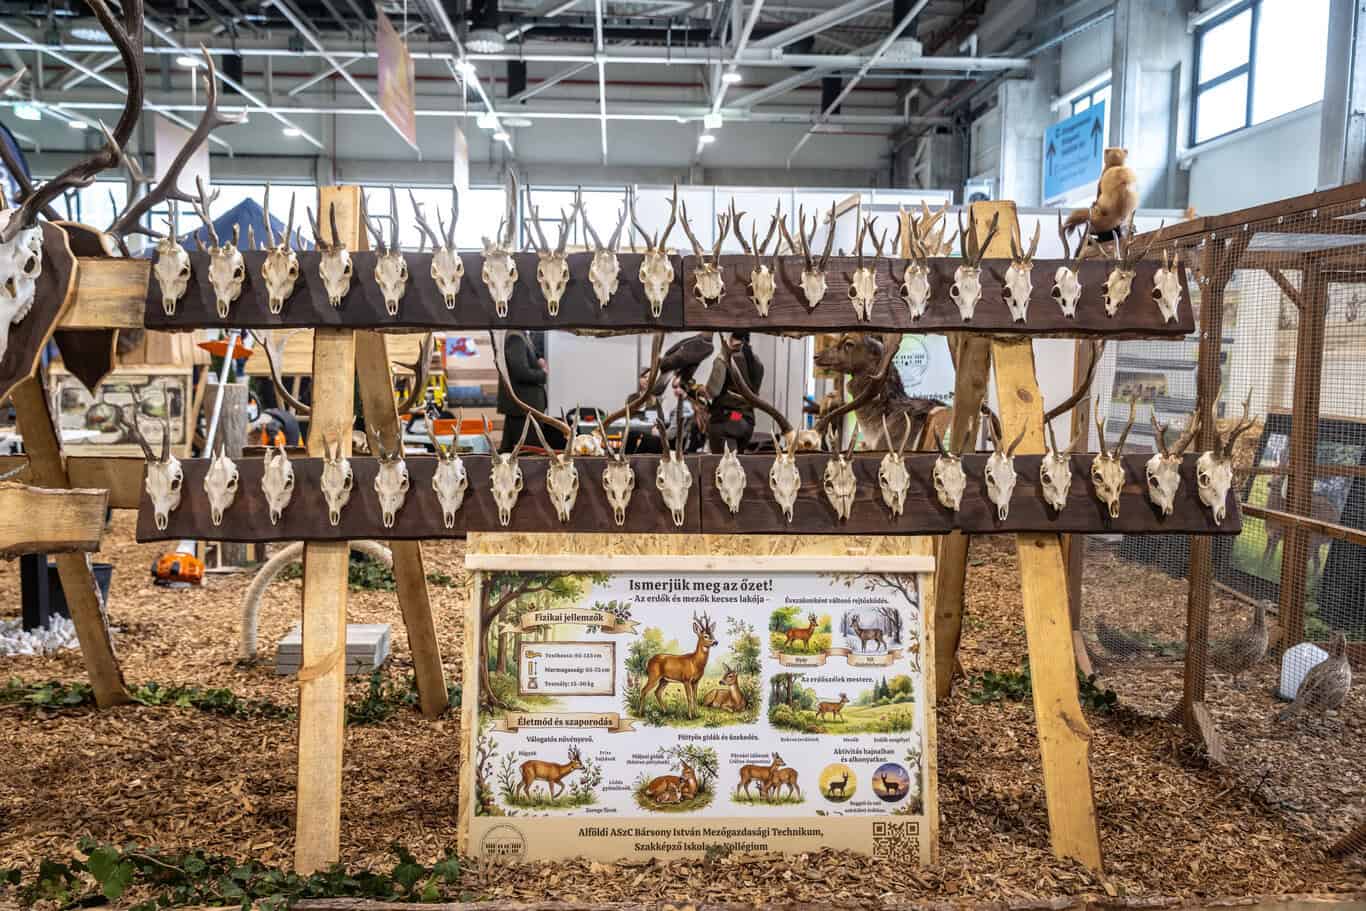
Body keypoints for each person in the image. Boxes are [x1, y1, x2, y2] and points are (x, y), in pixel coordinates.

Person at [704, 331, 764, 453]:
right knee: (737, 461)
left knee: (722, 462)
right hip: (746, 421)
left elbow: (712, 391)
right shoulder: (757, 362)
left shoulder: (724, 359)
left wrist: (698, 390)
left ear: (731, 338)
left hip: (728, 420)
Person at [497, 330, 550, 453]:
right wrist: (543, 374)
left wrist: (538, 359)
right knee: (527, 454)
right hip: (523, 410)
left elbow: (528, 359)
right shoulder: (515, 337)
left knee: (515, 453)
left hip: (524, 410)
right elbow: (521, 372)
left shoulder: (522, 335)